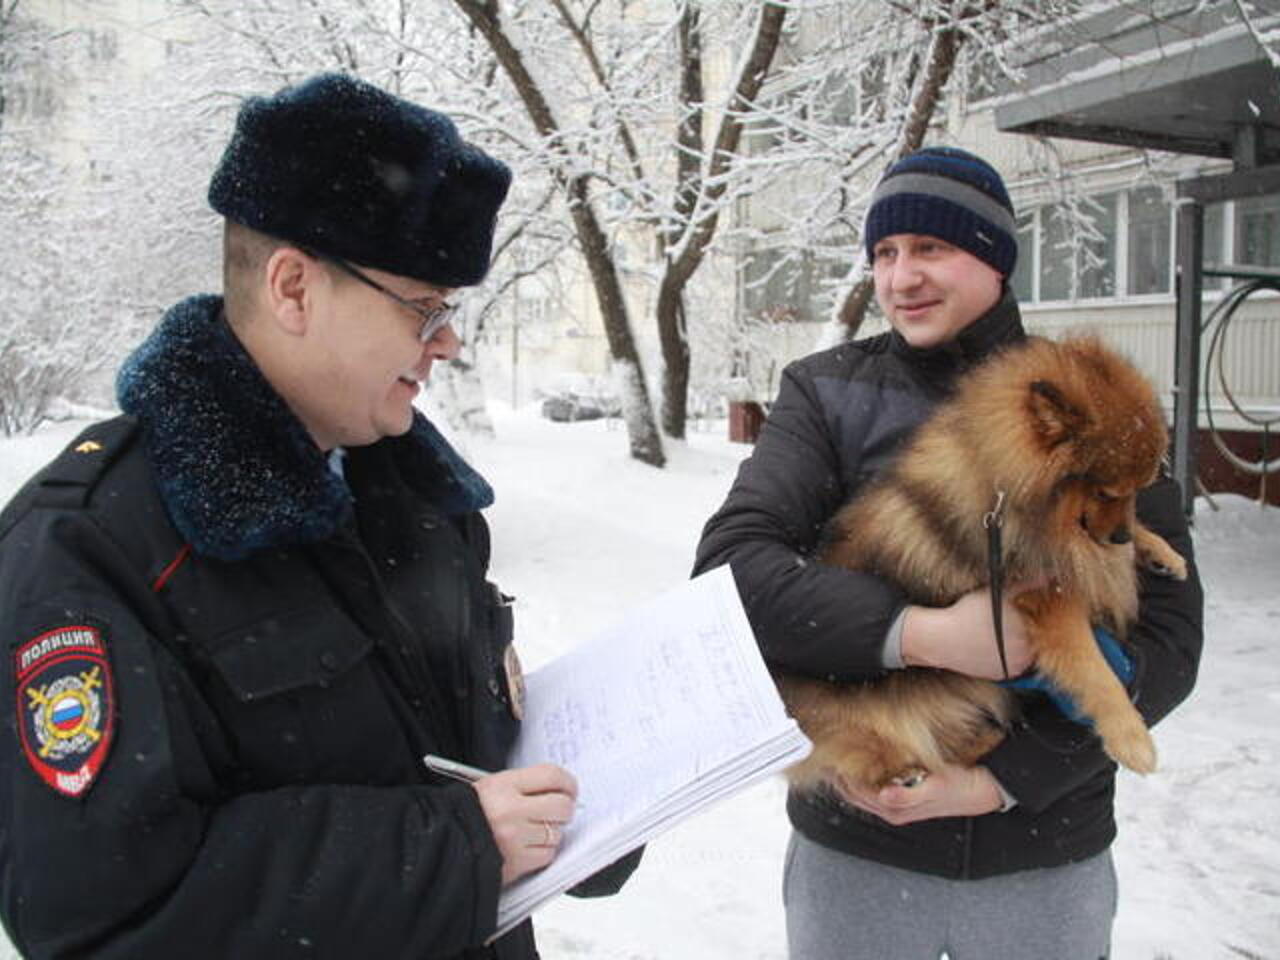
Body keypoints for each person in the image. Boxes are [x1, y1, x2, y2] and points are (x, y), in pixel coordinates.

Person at [0, 73, 636, 959]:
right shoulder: (92, 550)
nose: (448, 341)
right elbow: (102, 914)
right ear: (294, 289)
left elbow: (454, 750)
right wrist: (450, 851)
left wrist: (588, 799)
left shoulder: (410, 496)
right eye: (424, 306)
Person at [694, 146, 1203, 960]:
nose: (902, 278)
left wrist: (1001, 782)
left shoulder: (1097, 406)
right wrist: (917, 633)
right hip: (858, 853)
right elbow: (732, 577)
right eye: (885, 254)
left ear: (996, 260)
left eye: (932, 248)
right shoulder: (828, 393)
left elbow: (1170, 647)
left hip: (1041, 862)